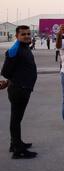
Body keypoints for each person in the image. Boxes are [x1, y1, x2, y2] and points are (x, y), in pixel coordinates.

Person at [1, 26, 38, 159]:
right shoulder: (15, 49)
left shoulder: (24, 46)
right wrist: (10, 81)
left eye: (28, 33)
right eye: (23, 34)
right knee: (16, 119)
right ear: (17, 36)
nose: (27, 36)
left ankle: (15, 143)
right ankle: (18, 150)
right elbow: (5, 71)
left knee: (17, 119)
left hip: (23, 88)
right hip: (19, 89)